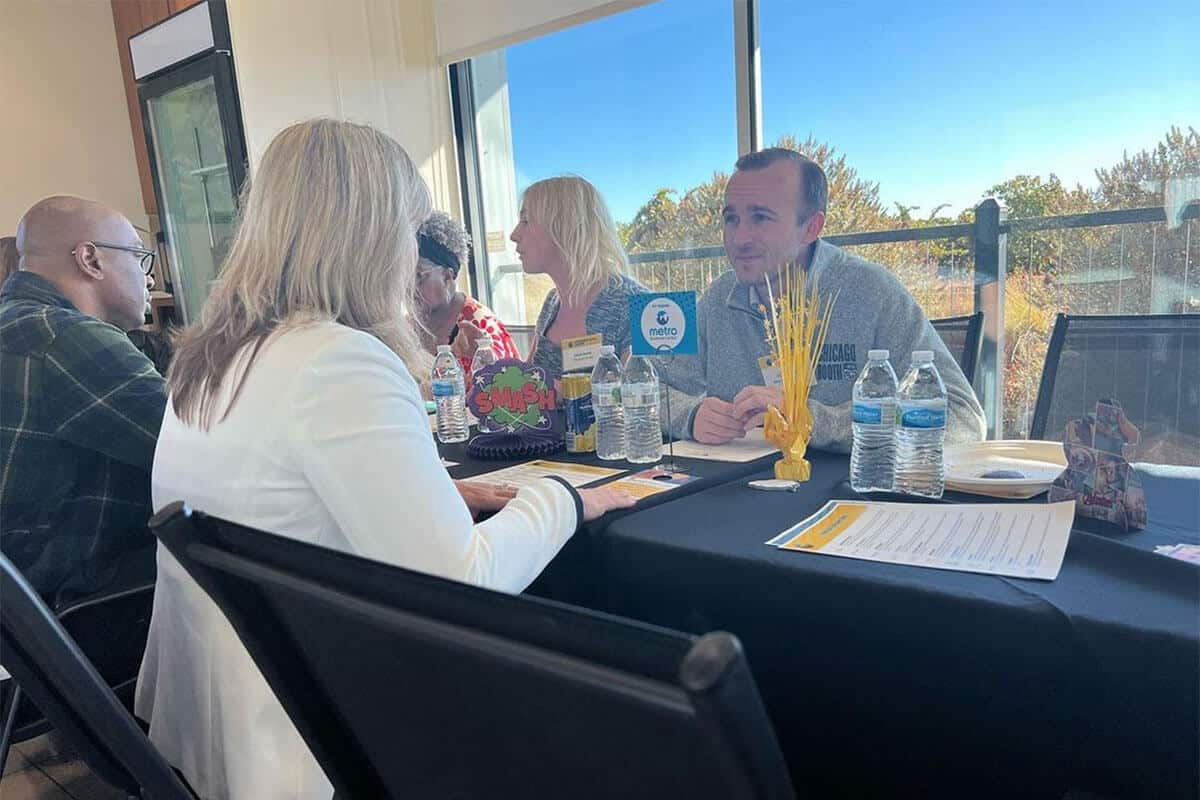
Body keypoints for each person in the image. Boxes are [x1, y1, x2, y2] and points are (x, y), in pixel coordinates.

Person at [135, 119, 634, 800]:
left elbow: (286, 501)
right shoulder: (338, 360)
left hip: (218, 722)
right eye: (411, 230)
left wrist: (433, 494)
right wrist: (564, 499)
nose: (414, 254)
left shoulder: (210, 357)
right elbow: (461, 584)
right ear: (372, 233)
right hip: (326, 737)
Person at [661, 148, 986, 448]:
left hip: (854, 497)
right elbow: (645, 390)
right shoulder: (717, 299)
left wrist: (811, 420)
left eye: (760, 217)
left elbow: (962, 421)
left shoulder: (872, 293)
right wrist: (690, 415)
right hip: (736, 498)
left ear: (811, 227)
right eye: (731, 219)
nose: (740, 238)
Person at [0, 196, 164, 606]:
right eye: (140, 258)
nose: (149, 279)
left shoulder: (17, 322)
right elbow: (204, 447)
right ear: (90, 260)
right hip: (71, 603)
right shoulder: (63, 336)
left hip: (21, 618)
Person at [511, 176, 646, 384]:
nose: (514, 234)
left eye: (526, 221)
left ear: (565, 228)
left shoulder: (633, 304)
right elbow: (528, 384)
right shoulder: (552, 302)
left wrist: (564, 393)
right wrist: (491, 370)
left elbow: (645, 397)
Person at [415, 210, 519, 371]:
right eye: (403, 277)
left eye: (418, 277)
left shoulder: (480, 325)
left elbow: (504, 386)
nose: (408, 287)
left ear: (447, 277)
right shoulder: (408, 326)